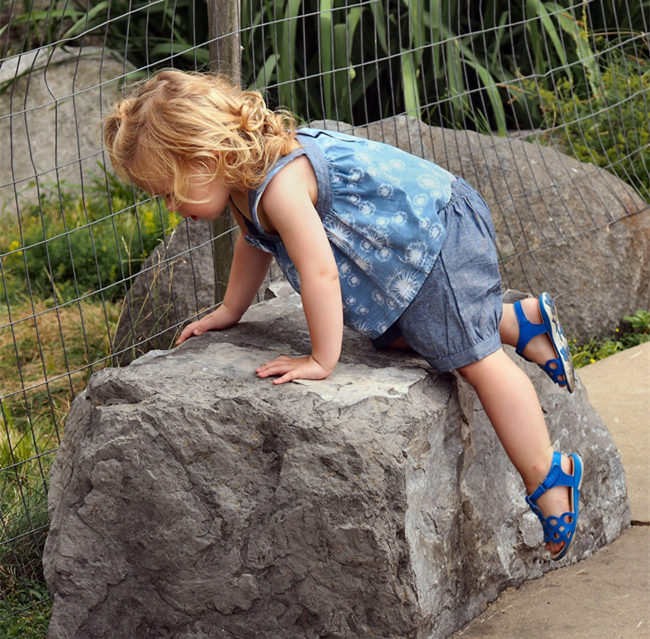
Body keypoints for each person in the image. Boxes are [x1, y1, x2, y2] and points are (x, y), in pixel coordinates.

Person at [103, 69, 582, 561]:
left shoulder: (283, 185)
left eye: (169, 190)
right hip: (401, 257)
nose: (168, 205)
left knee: (475, 363)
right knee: (401, 339)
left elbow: (320, 275)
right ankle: (517, 323)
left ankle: (548, 474)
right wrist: (231, 309)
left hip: (436, 235)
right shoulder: (243, 185)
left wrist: (321, 358)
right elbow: (255, 243)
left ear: (207, 158)